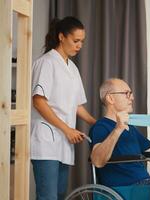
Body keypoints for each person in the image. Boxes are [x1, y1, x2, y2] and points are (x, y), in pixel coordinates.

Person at [31, 16, 96, 200]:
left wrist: (96, 122)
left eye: (82, 42)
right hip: (46, 141)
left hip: (64, 142)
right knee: (48, 197)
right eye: (76, 41)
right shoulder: (46, 63)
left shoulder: (73, 69)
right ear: (61, 37)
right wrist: (67, 129)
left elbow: (76, 105)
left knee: (59, 195)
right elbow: (39, 101)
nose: (79, 45)